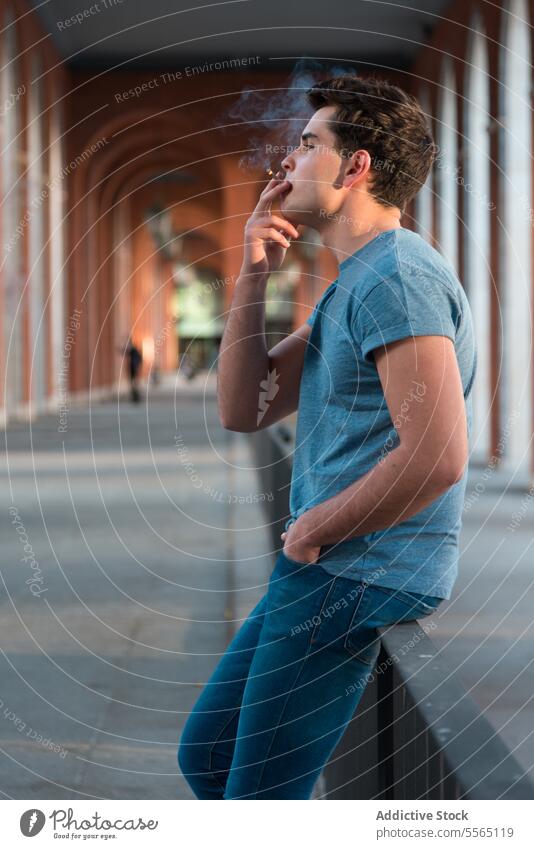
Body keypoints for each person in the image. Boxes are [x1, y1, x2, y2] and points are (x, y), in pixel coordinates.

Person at [178, 74, 477, 799]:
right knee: (209, 755)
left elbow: (437, 454)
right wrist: (253, 275)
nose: (286, 161)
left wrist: (314, 527)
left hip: (353, 574)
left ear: (357, 165)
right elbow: (246, 407)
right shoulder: (358, 282)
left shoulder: (396, 280)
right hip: (327, 569)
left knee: (256, 800)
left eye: (308, 143)